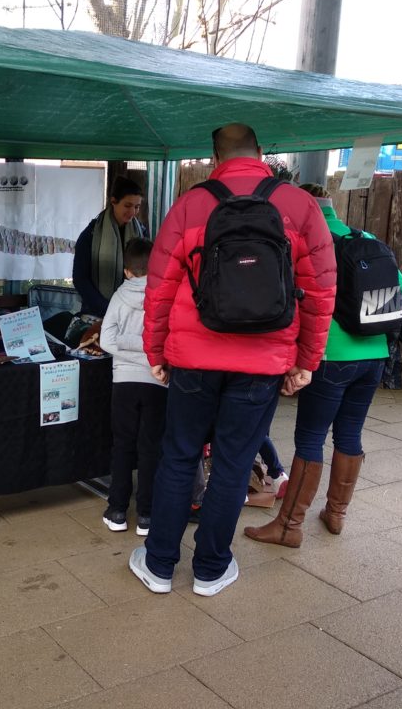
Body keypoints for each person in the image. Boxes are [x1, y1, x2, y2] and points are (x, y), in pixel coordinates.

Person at [129, 123, 336, 597]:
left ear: (213, 156)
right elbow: (321, 292)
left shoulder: (191, 205)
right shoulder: (301, 207)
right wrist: (306, 360)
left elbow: (158, 291)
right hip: (264, 362)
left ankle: (159, 565)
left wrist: (155, 351)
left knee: (180, 456)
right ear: (261, 153)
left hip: (193, 360)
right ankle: (211, 569)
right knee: (233, 464)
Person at [245, 182, 402, 548]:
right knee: (349, 434)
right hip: (374, 355)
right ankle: (336, 513)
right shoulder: (365, 237)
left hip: (330, 356)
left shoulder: (306, 240)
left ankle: (289, 525)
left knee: (310, 439)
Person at [98, 237, 167, 537]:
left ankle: (116, 511)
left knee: (123, 446)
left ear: (127, 271)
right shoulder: (165, 296)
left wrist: (130, 347)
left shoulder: (118, 297)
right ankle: (147, 515)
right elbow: (167, 341)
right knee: (151, 448)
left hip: (123, 383)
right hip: (157, 382)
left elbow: (106, 341)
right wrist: (148, 348)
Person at [72, 175, 148, 318]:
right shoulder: (90, 235)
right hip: (97, 312)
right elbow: (80, 278)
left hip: (132, 312)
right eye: (127, 205)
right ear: (113, 201)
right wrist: (107, 309)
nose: (133, 212)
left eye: (137, 207)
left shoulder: (141, 233)